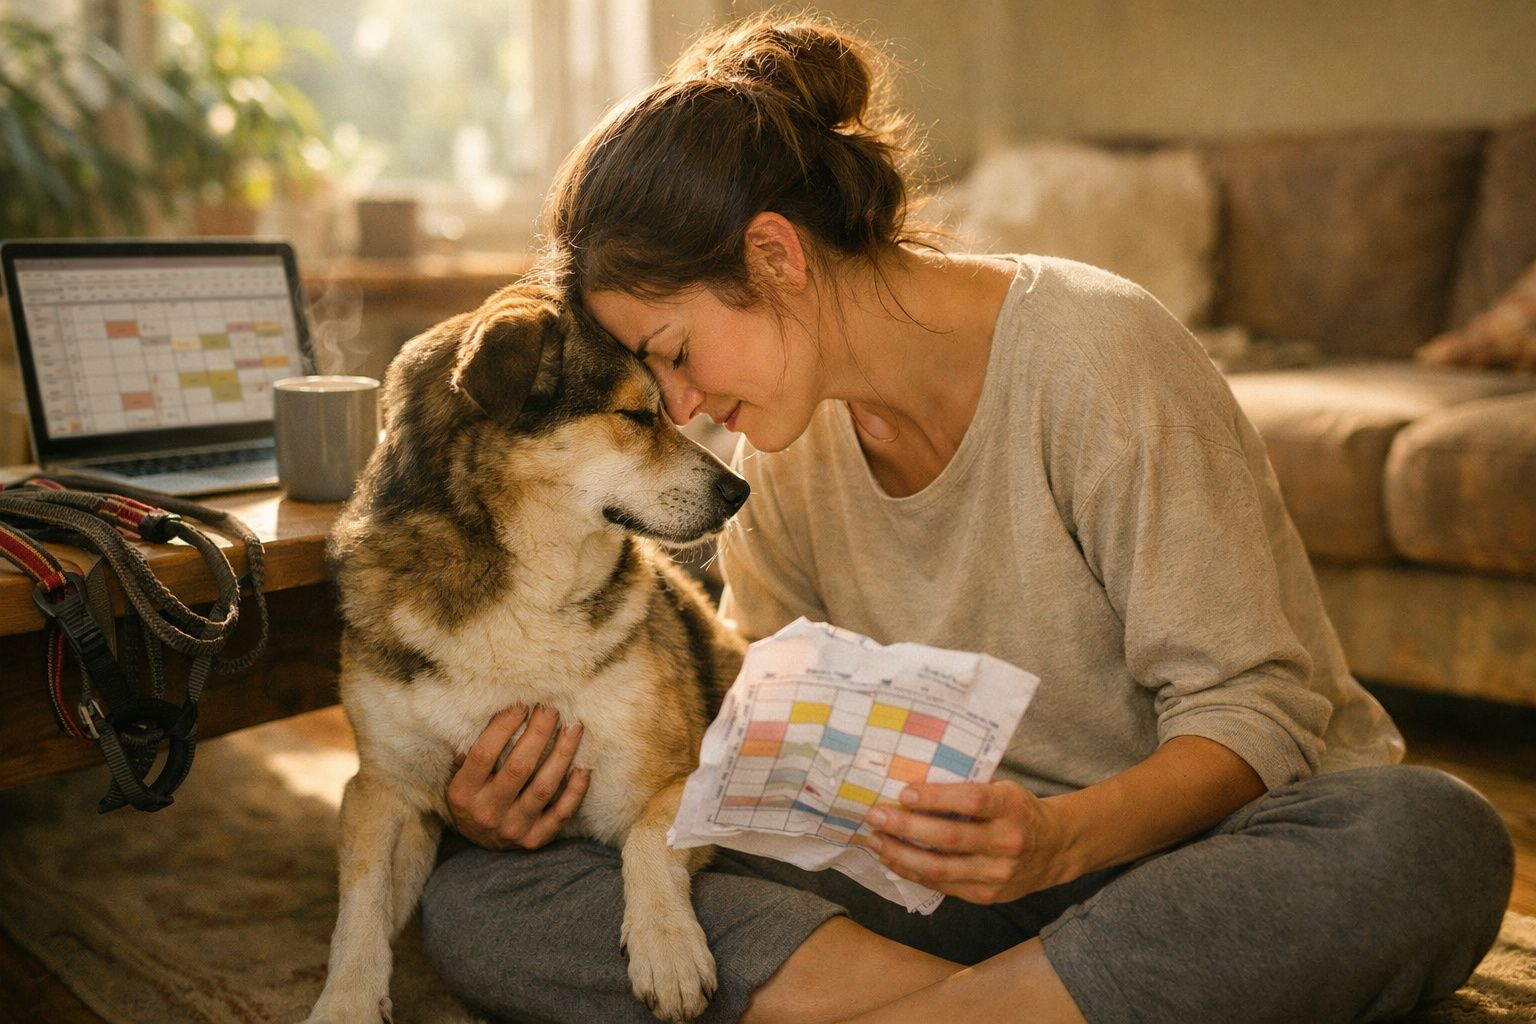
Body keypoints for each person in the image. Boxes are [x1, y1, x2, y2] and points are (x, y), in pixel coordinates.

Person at [419, 15, 1514, 1023]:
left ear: (774, 257)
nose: (687, 407)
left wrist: (1056, 842)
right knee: (489, 891)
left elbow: (1261, 712)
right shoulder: (782, 453)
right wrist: (520, 802)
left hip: (1190, 854)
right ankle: (1007, 1005)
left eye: (674, 353)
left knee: (1426, 839)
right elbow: (769, 730)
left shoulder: (1098, 354)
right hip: (953, 884)